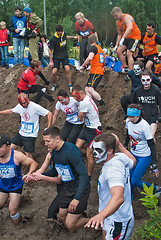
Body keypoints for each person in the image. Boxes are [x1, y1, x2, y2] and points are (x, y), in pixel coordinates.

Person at [38, 126, 91, 232]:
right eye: (44, 141)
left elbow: (84, 175)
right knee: (62, 216)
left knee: (70, 225)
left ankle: (93, 220)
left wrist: (77, 198)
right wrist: (38, 176)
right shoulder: (53, 152)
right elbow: (55, 171)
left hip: (79, 188)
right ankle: (74, 228)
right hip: (67, 188)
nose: (45, 144)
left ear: (57, 139)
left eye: (48, 141)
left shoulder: (71, 151)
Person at [85, 133, 136, 240]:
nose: (94, 153)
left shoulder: (113, 170)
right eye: (94, 149)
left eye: (98, 150)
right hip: (110, 215)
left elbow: (118, 197)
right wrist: (119, 144)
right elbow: (133, 162)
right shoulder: (120, 156)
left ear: (110, 151)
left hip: (118, 220)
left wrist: (101, 215)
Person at [0, 93, 53, 159]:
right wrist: (0, 112)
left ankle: (33, 166)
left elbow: (49, 114)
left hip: (30, 135)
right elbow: (11, 111)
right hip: (21, 133)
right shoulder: (19, 106)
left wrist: (49, 127)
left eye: (25, 103)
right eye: (22, 104)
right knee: (10, 149)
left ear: (28, 99)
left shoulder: (35, 106)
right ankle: (22, 153)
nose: (24, 105)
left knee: (28, 156)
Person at [124, 104, 161, 198]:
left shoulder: (144, 126)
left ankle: (156, 188)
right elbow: (128, 135)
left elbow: (152, 144)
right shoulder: (128, 122)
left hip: (144, 156)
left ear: (138, 115)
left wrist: (154, 163)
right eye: (129, 116)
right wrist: (125, 144)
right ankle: (130, 198)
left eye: (132, 117)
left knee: (134, 180)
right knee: (129, 178)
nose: (130, 119)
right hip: (133, 154)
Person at [0, 134, 38, 224]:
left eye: (0, 147)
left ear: (8, 147)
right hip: (3, 185)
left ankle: (19, 225)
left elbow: (33, 163)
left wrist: (29, 174)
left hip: (15, 186)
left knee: (12, 210)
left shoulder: (17, 156)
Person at [72, 85, 102, 177]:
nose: (74, 98)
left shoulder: (84, 103)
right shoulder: (87, 98)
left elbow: (80, 119)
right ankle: (92, 156)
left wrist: (79, 110)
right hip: (87, 127)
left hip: (94, 130)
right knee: (77, 148)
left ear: (81, 93)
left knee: (89, 154)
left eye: (75, 96)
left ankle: (88, 175)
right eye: (73, 96)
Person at [133, 70, 161, 141]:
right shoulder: (137, 91)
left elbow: (160, 104)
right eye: (143, 80)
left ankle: (153, 152)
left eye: (148, 80)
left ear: (151, 80)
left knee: (151, 136)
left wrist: (159, 117)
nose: (146, 82)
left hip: (152, 117)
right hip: (141, 117)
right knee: (141, 137)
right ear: (141, 80)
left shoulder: (156, 90)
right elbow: (133, 105)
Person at [111, 7, 141, 72]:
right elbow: (119, 34)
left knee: (128, 53)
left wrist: (123, 38)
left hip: (134, 37)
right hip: (127, 38)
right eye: (114, 16)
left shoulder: (126, 17)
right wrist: (116, 45)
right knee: (118, 51)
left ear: (119, 12)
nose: (115, 17)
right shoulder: (117, 22)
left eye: (116, 15)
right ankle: (125, 67)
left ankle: (131, 71)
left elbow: (130, 28)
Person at [48, 24, 76, 92]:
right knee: (54, 71)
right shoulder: (53, 39)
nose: (60, 34)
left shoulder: (64, 34)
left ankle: (70, 84)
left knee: (67, 68)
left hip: (64, 55)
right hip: (56, 56)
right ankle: (54, 84)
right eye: (58, 33)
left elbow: (66, 37)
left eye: (61, 33)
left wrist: (73, 37)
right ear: (56, 32)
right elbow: (50, 50)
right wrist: (51, 61)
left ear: (62, 31)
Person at [80, 34, 105, 106]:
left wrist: (83, 65)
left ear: (89, 42)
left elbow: (90, 58)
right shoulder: (100, 48)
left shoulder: (93, 48)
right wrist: (103, 66)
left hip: (96, 71)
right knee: (87, 88)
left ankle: (101, 102)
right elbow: (103, 60)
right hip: (97, 70)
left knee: (90, 89)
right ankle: (89, 103)